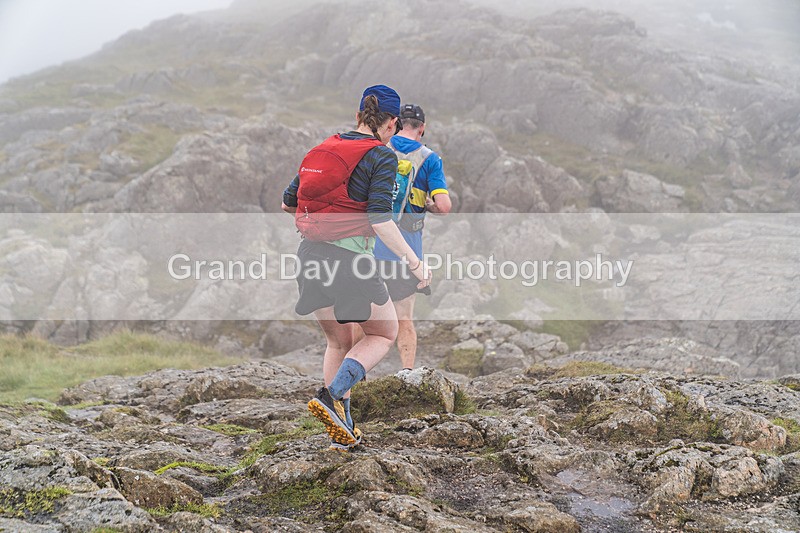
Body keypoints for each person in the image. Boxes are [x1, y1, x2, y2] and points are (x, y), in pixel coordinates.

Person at [281, 85, 432, 450]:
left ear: (358, 114)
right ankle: (331, 396)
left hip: (309, 256)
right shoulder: (380, 156)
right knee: (383, 333)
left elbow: (288, 205)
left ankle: (342, 432)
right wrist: (414, 264)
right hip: (350, 261)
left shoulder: (323, 148)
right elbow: (380, 218)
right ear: (393, 123)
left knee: (339, 340)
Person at [374, 103, 451, 370]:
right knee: (404, 318)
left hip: (372, 246)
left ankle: (356, 380)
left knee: (364, 317)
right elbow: (444, 206)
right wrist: (428, 205)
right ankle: (407, 373)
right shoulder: (430, 159)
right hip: (408, 251)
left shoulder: (379, 149)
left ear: (395, 124)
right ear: (422, 128)